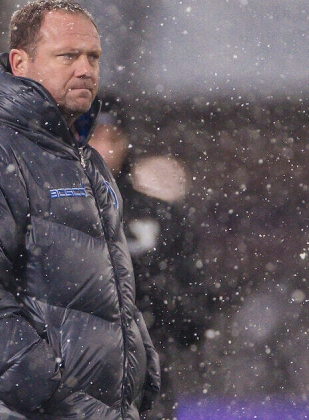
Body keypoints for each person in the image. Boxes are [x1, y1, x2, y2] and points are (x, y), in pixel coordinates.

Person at [0, 1, 160, 419]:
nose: (85, 69)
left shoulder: (87, 161)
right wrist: (60, 399)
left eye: (93, 57)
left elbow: (109, 298)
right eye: (68, 55)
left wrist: (142, 378)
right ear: (20, 63)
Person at [90, 95, 211, 419]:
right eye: (93, 136)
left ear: (126, 143)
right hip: (67, 388)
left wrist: (152, 287)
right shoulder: (46, 210)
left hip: (144, 390)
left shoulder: (162, 217)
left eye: (113, 138)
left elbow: (197, 321)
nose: (104, 149)